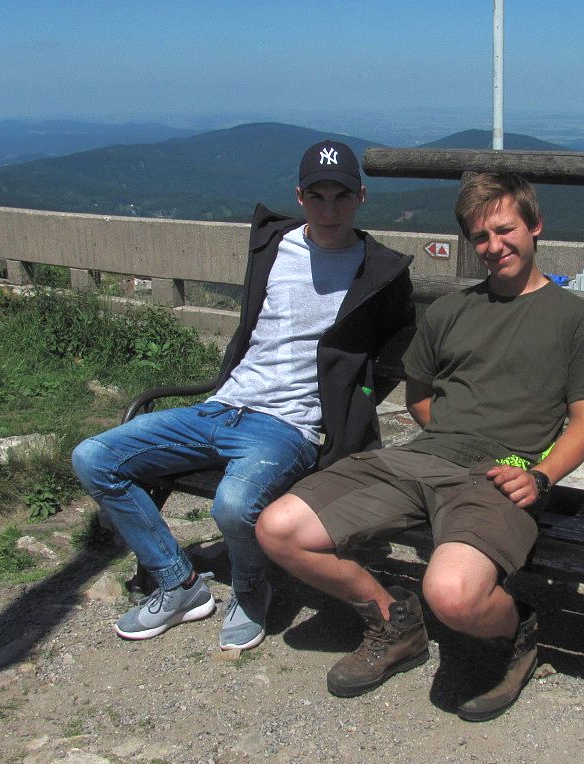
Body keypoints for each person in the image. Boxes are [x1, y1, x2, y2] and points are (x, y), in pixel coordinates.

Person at [256, 172, 584, 720]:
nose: (494, 246)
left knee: (452, 595)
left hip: (502, 472)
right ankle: (394, 622)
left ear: (535, 227)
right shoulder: (450, 311)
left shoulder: (576, 319)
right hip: (419, 456)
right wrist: (450, 435)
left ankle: (519, 633)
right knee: (278, 529)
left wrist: (540, 475)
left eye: (506, 230)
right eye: (481, 237)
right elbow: (420, 397)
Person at [72, 140, 414, 651]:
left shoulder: (379, 271)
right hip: (222, 405)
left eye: (341, 196)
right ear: (299, 196)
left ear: (361, 197)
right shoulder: (274, 244)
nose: (329, 209)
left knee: (233, 505)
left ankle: (251, 590)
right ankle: (178, 583)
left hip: (288, 426)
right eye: (317, 196)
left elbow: (395, 350)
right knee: (94, 457)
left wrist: (351, 402)